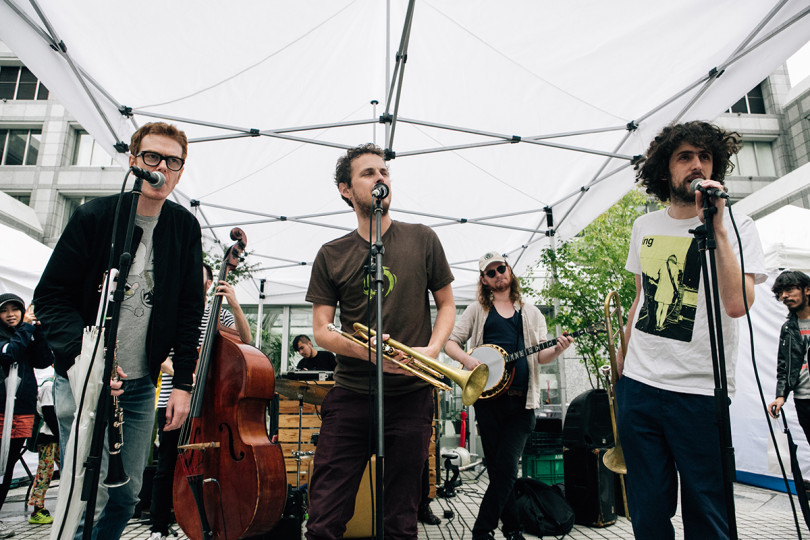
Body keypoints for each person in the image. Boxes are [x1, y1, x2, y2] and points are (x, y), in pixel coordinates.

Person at [34, 122, 204, 540]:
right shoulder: (95, 217)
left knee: (126, 494)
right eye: (152, 157)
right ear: (134, 161)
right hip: (80, 378)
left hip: (142, 383)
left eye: (173, 161)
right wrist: (85, 359)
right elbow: (51, 296)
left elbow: (189, 310)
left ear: (182, 170)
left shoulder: (184, 227)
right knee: (83, 492)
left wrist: (183, 382)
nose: (162, 167)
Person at [616, 121, 767, 539]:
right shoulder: (644, 226)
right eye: (685, 156)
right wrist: (624, 372)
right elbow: (640, 300)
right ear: (666, 169)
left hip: (701, 392)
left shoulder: (739, 226)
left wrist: (716, 226)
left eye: (705, 156)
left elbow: (738, 304)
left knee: (708, 514)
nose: (697, 165)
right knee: (647, 512)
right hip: (640, 386)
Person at [304, 143, 455, 540]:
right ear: (345, 189)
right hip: (351, 394)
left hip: (410, 395)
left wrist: (435, 348)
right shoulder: (330, 254)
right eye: (368, 173)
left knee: (401, 522)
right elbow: (322, 330)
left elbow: (447, 304)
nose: (380, 178)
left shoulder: (423, 239)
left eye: (384, 172)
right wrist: (369, 353)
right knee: (323, 520)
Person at [444, 252, 573, 540]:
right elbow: (451, 343)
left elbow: (540, 356)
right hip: (488, 404)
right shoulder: (478, 310)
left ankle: (482, 530)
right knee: (501, 472)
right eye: (490, 272)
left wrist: (559, 348)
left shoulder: (531, 312)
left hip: (521, 404)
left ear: (510, 270)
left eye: (501, 268)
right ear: (484, 280)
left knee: (503, 469)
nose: (497, 274)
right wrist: (467, 361)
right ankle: (513, 529)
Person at [148, 263, 253, 540]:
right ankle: (158, 525)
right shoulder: (173, 314)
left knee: (211, 461)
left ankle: (202, 517)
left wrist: (235, 305)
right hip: (174, 399)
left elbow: (247, 340)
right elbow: (158, 356)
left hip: (211, 405)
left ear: (208, 285)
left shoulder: (218, 315)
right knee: (168, 463)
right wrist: (186, 377)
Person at [0, 293, 54, 537]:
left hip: (22, 410)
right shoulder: (7, 336)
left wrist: (38, 331)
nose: (10, 314)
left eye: (16, 309)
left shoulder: (25, 332)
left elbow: (43, 361)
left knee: (9, 464)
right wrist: (26, 327)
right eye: (4, 310)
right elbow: (10, 353)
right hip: (2, 410)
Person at [768, 271, 810, 443]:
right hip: (803, 400)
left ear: (807, 290)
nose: (784, 296)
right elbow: (783, 365)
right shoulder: (788, 329)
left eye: (790, 289)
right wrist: (780, 396)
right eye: (781, 292)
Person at [27, 368, 59, 526]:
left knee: (67, 467)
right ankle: (37, 508)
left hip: (55, 434)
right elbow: (49, 413)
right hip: (47, 435)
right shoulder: (49, 385)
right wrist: (60, 434)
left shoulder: (55, 384)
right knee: (45, 470)